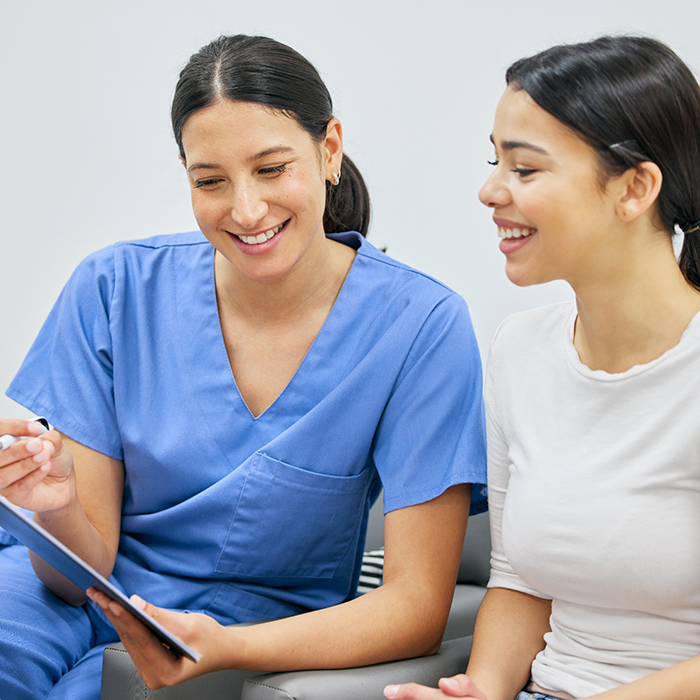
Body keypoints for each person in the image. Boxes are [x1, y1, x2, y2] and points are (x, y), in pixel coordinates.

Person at [0, 35, 487, 699]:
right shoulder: (115, 287)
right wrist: (53, 511)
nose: (247, 210)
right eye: (210, 181)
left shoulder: (420, 327)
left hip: (241, 626)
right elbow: (77, 576)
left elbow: (416, 607)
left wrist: (227, 647)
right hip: (66, 594)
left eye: (271, 168)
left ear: (330, 149)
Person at [384, 34, 700, 700]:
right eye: (495, 162)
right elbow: (519, 583)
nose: (489, 191)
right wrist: (484, 690)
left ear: (635, 187)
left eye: (524, 170)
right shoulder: (519, 349)